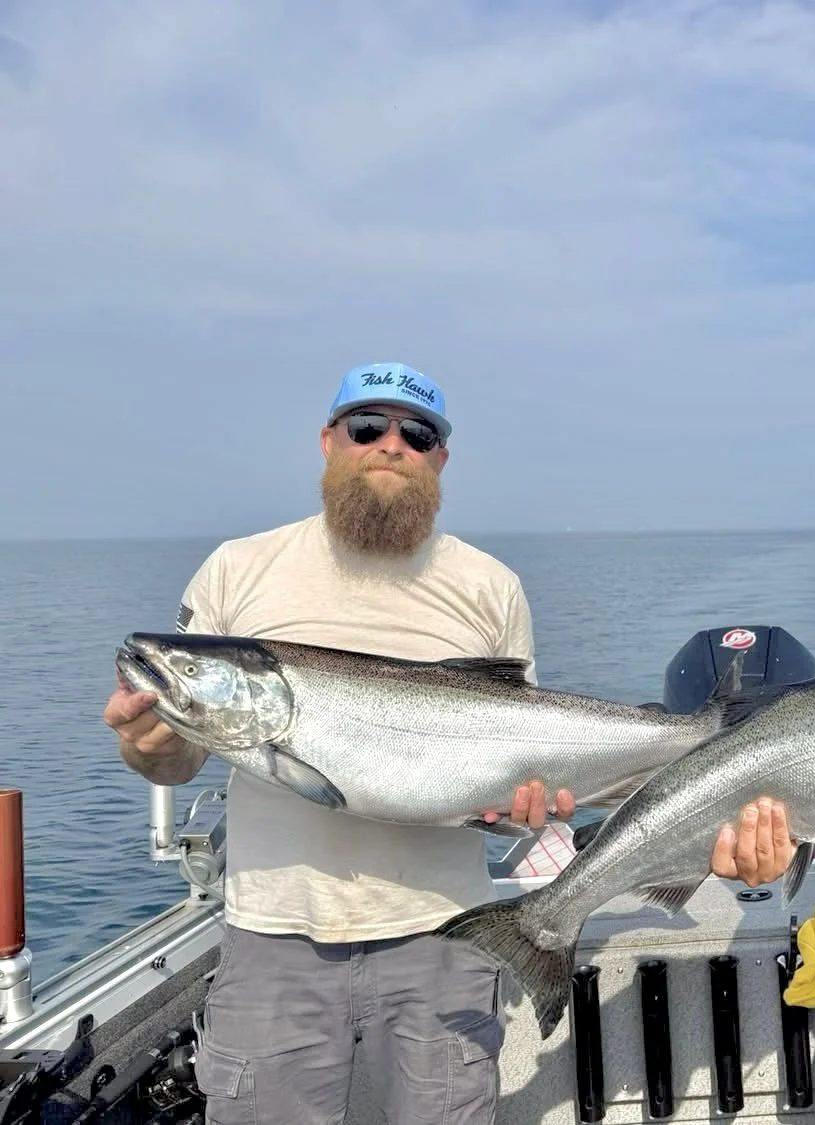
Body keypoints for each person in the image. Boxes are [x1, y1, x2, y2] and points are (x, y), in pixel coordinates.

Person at [101, 362, 572, 1123]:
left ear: (440, 460)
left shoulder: (492, 586)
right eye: (366, 427)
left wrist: (525, 810)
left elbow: (513, 782)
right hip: (273, 934)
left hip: (443, 933)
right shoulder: (239, 568)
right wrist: (151, 746)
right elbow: (177, 755)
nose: (391, 445)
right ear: (328, 442)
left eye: (417, 434)